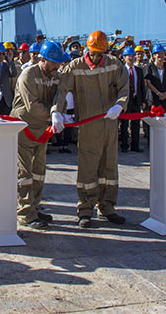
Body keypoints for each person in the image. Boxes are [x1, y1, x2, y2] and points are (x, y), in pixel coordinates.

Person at [52, 30, 129, 228]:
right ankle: (85, 209)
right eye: (93, 53)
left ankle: (108, 207)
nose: (96, 57)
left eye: (99, 53)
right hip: (88, 126)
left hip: (110, 124)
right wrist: (56, 112)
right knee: (88, 168)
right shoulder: (75, 67)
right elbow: (62, 90)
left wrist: (120, 105)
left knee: (109, 167)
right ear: (87, 49)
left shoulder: (113, 64)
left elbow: (124, 88)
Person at [12, 41, 63, 229]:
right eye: (54, 62)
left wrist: (57, 110)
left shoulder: (56, 75)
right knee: (24, 173)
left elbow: (60, 95)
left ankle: (35, 207)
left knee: (39, 171)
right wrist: (52, 113)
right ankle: (25, 213)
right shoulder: (28, 75)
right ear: (43, 60)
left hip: (42, 129)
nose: (57, 66)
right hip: (24, 129)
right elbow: (31, 105)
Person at [119, 46, 145, 152]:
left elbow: (141, 86)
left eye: (133, 56)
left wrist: (143, 100)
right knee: (124, 124)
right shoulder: (122, 70)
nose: (131, 58)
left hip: (136, 100)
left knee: (136, 124)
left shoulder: (139, 70)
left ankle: (135, 145)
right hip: (125, 101)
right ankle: (124, 145)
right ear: (124, 57)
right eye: (129, 56)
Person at [144, 44, 166, 110]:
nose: (160, 56)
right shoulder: (149, 67)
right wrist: (158, 93)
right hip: (153, 99)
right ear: (154, 55)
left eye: (162, 53)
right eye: (158, 54)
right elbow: (148, 83)